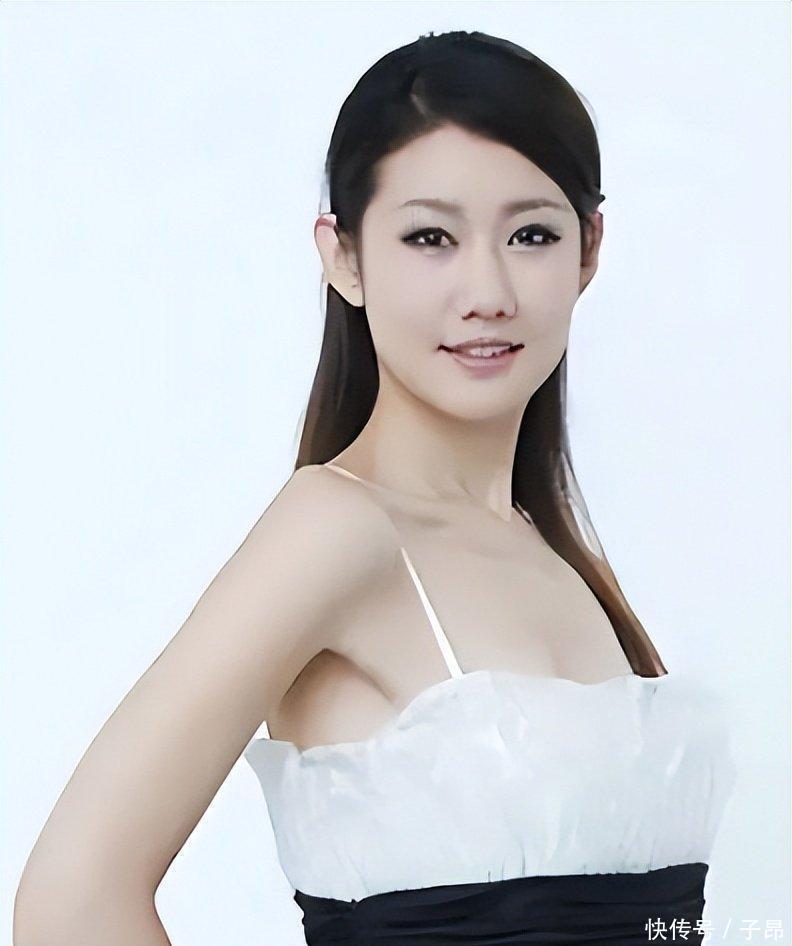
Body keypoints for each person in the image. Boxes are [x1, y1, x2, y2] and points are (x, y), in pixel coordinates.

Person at [14, 29, 737, 946]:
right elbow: (72, 902)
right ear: (343, 257)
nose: (487, 290)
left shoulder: (549, 548)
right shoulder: (336, 528)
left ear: (588, 250)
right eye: (431, 237)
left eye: (531, 235)